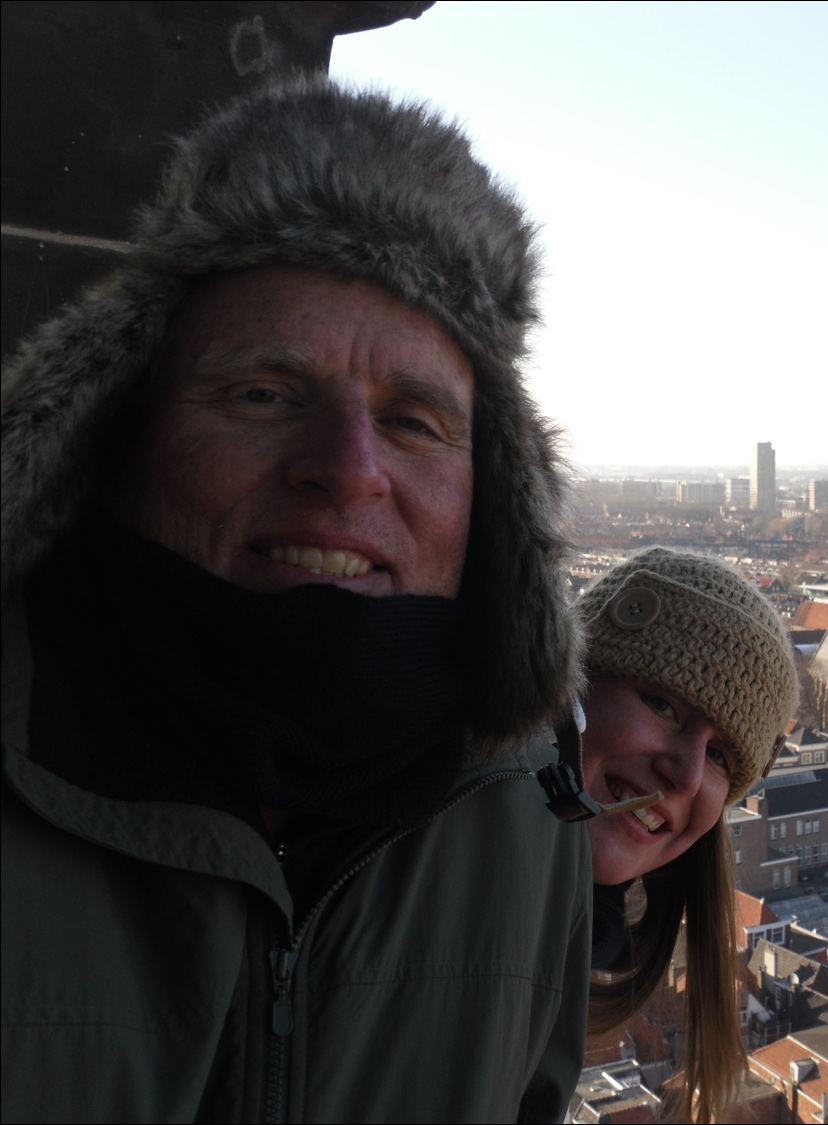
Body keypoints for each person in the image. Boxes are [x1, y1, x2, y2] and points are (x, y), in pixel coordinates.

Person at [1, 78, 590, 1122]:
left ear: (493, 494)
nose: (350, 470)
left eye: (415, 422)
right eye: (264, 394)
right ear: (119, 429)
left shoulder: (528, 818)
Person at [571, 549, 799, 1124]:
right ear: (570, 682)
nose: (688, 774)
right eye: (662, 704)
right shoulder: (440, 896)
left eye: (721, 755)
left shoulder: (553, 946)